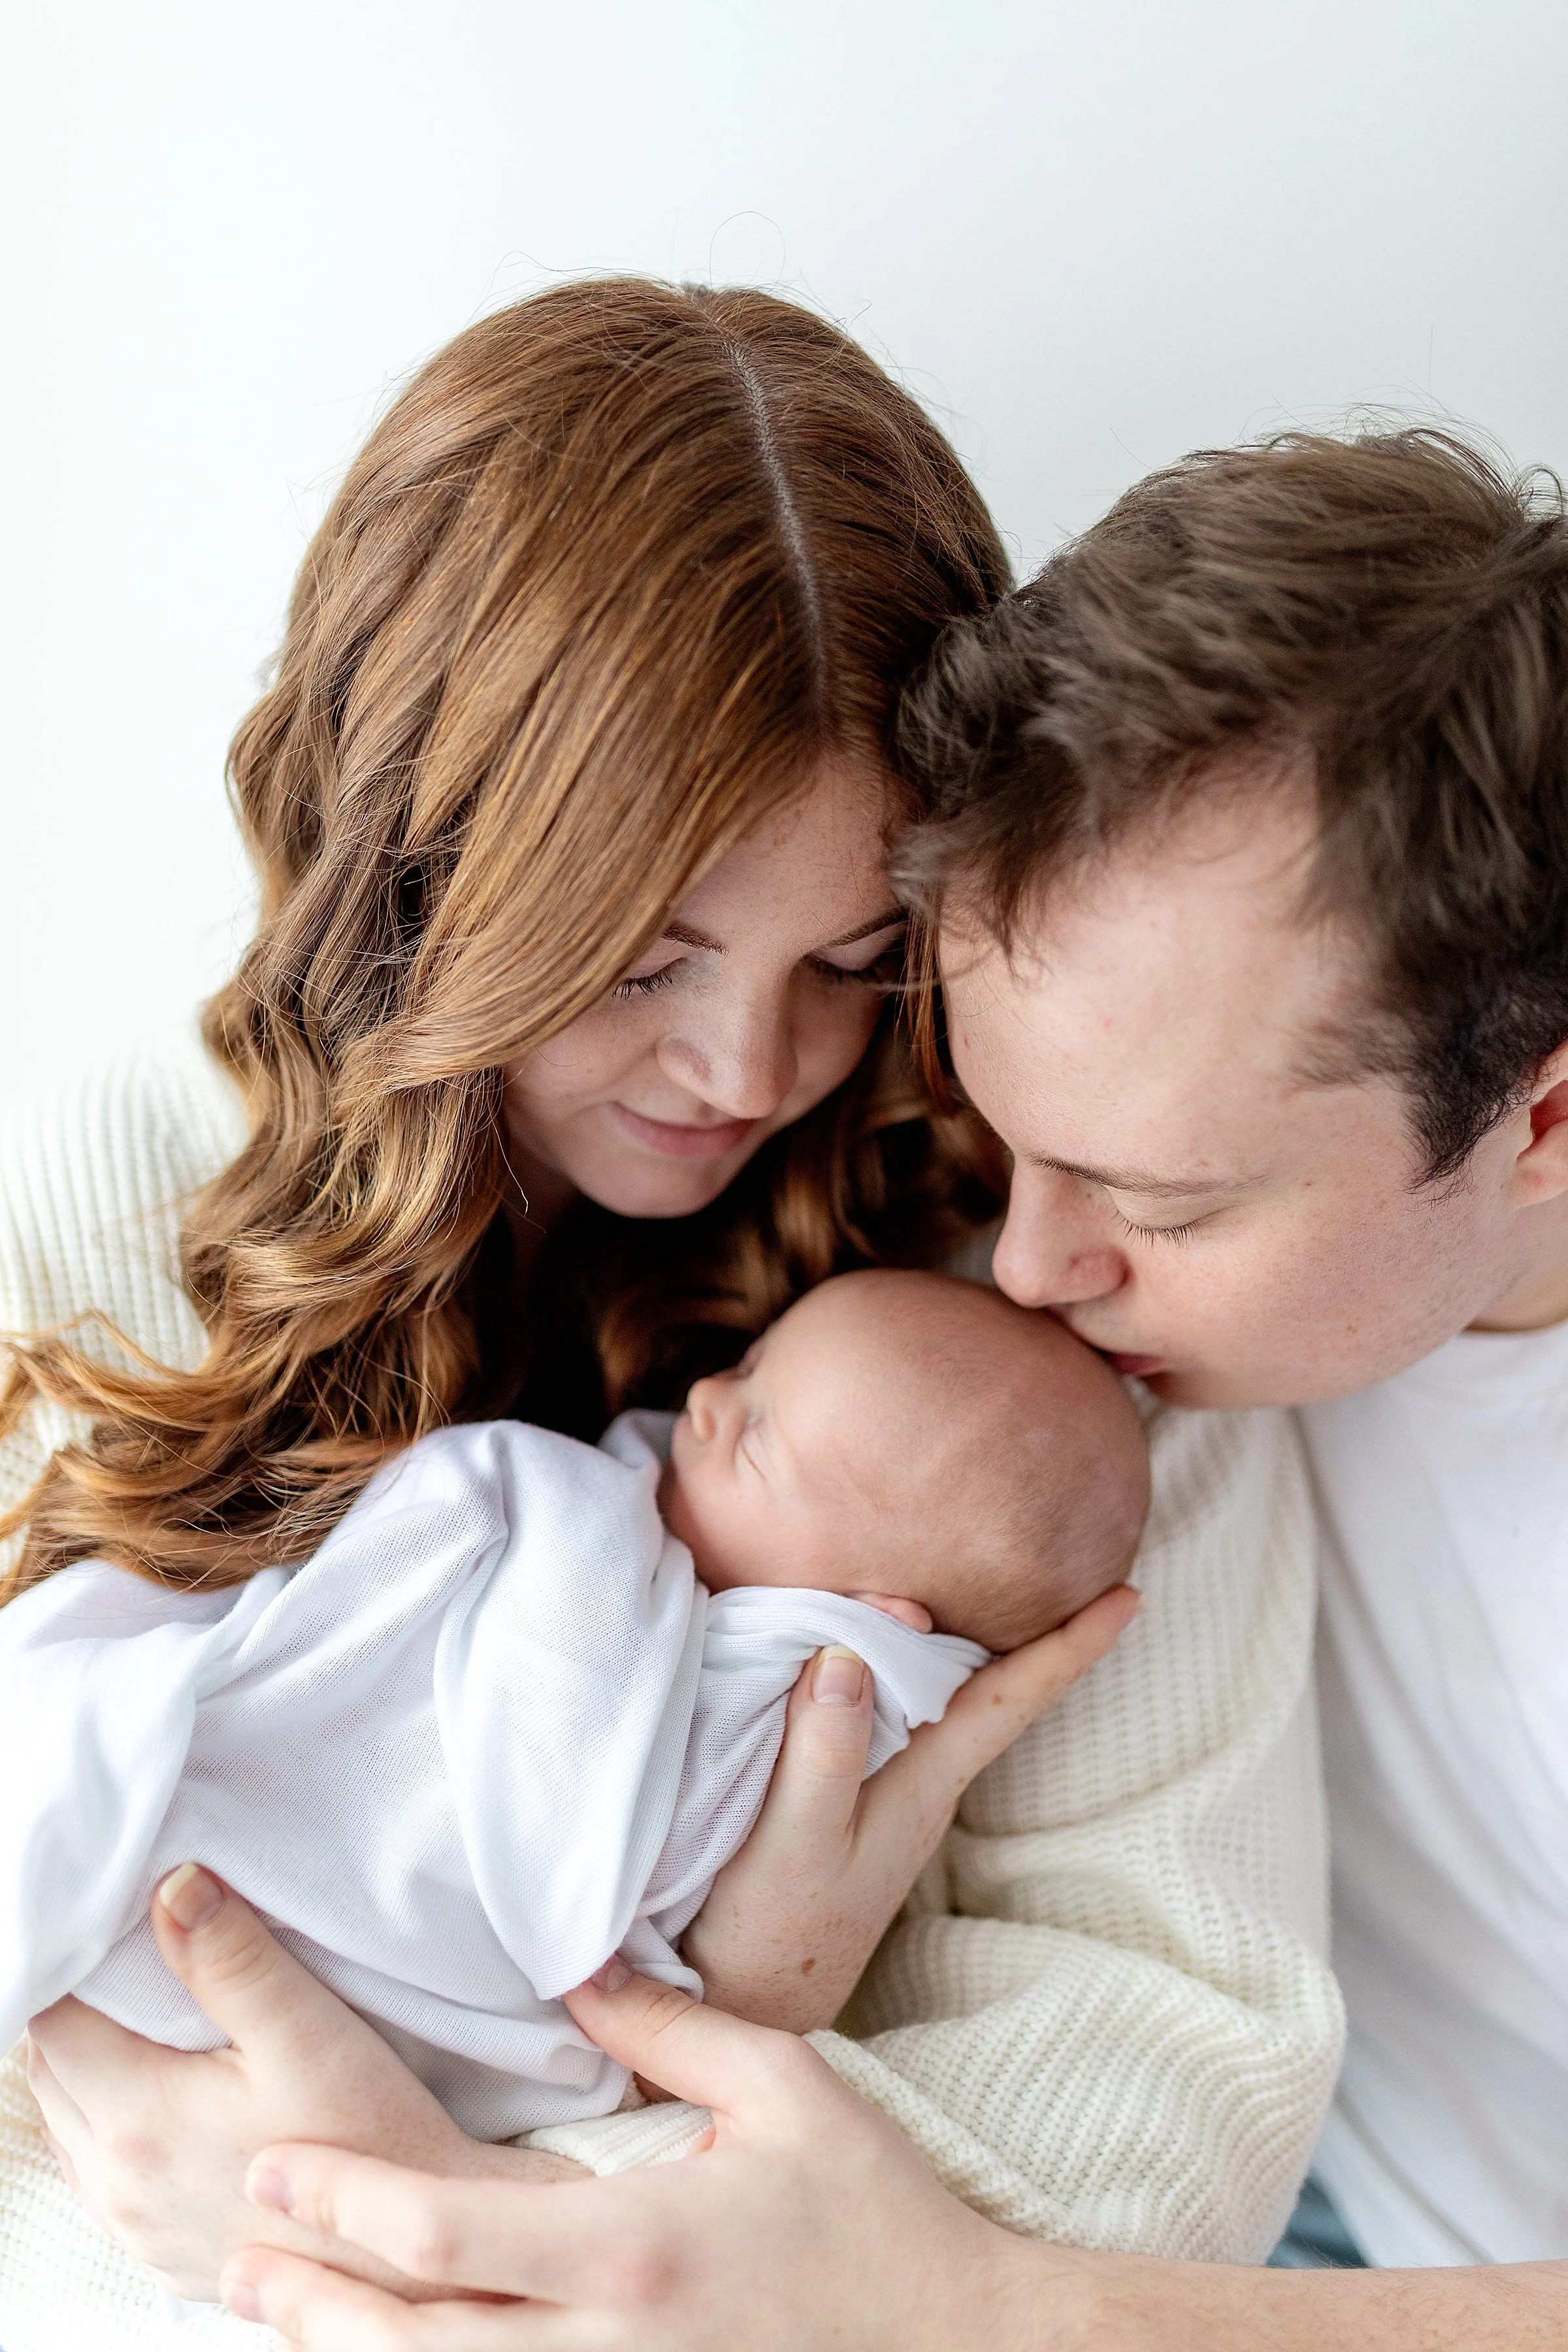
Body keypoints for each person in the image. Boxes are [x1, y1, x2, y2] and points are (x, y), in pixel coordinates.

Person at [3, 283, 1338, 2342]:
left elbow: (1181, 2078)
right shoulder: (93, 1208)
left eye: (851, 952)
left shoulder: (1053, 1264)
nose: (742, 1065)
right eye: (641, 954)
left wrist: (424, 2208)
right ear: (425, 867)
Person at [199, 421, 1568, 2347]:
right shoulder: (1122, 1320)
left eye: (1156, 1202)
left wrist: (1001, 2308)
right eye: (1016, 1145)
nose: (1028, 1269)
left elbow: (1132, 2116)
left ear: (1547, 1120)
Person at [1, 1273, 1145, 2144]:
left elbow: (598, 1848)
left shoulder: (788, 1704)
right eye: (745, 1368)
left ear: (863, 1611)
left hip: (326, 1976)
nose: (702, 1397)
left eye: (756, 1432)